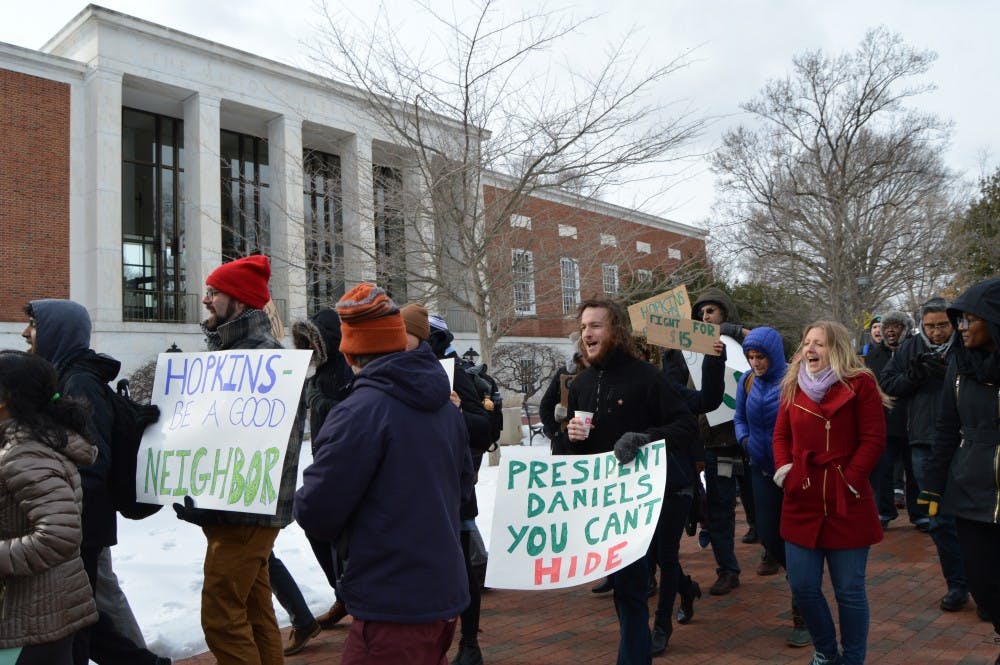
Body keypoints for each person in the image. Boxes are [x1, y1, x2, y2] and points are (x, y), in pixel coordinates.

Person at [295, 283, 473, 665]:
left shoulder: (360, 412)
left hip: (393, 601)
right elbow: (462, 488)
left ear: (350, 352)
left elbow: (316, 510)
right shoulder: (444, 405)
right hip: (442, 591)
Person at [170, 254, 307, 665]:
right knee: (253, 608)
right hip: (233, 509)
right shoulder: (230, 354)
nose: (206, 300)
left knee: (220, 617)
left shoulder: (265, 359)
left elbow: (268, 441)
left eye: (215, 293)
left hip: (247, 510)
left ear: (242, 303)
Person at [22, 299, 170, 665]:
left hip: (81, 524)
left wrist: (61, 514)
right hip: (73, 521)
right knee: (86, 618)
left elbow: (92, 459)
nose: (25, 333)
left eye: (34, 326)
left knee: (81, 625)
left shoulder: (78, 382)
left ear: (56, 332)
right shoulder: (61, 375)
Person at [566, 297, 697, 665]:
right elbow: (576, 454)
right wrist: (569, 436)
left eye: (595, 326)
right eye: (583, 328)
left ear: (617, 331)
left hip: (643, 501)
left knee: (632, 590)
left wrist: (645, 437)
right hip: (603, 505)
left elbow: (685, 424)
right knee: (624, 593)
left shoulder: (646, 377)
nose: (586, 334)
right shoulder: (581, 384)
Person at [772, 320, 888, 665]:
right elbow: (780, 437)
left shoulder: (860, 384)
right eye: (807, 342)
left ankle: (852, 658)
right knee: (803, 587)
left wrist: (851, 479)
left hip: (846, 500)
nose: (810, 349)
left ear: (835, 348)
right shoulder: (792, 384)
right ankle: (825, 650)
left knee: (849, 592)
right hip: (802, 496)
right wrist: (786, 474)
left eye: (819, 344)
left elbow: (873, 439)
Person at [403, 303, 492, 665]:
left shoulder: (453, 373)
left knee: (459, 566)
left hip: (452, 493)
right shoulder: (391, 370)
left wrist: (456, 412)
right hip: (411, 492)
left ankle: (469, 642)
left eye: (400, 331)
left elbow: (484, 429)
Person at [919, 277, 1000, 665]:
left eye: (969, 320)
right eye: (960, 321)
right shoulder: (959, 365)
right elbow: (946, 430)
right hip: (969, 490)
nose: (962, 329)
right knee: (983, 585)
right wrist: (932, 488)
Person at [0, 350, 98, 665]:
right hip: (36, 611)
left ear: (6, 398)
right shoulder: (19, 446)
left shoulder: (25, 454)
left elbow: (59, 535)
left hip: (33, 617)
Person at [880, 298, 969, 612]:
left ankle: (983, 585)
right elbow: (888, 384)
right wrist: (915, 376)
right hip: (921, 440)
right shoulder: (911, 348)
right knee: (938, 519)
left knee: (970, 518)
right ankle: (957, 584)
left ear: (953, 323)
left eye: (943, 325)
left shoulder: (968, 342)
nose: (937, 332)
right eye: (930, 326)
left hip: (963, 442)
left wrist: (949, 374)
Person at [733, 326, 810, 648]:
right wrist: (745, 440)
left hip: (792, 474)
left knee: (797, 541)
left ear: (774, 354)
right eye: (750, 357)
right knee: (767, 533)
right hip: (760, 470)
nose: (755, 363)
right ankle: (797, 577)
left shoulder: (795, 381)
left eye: (760, 356)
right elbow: (739, 418)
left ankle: (803, 610)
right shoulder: (746, 381)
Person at [290, 307, 353, 631]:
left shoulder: (347, 369)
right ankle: (343, 593)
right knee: (314, 525)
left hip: (346, 466)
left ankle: (352, 595)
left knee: (340, 535)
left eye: (314, 340)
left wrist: (318, 401)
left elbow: (353, 413)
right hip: (323, 460)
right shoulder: (317, 373)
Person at [691, 288, 754, 595]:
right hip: (717, 443)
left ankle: (772, 550)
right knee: (721, 506)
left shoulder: (746, 343)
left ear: (726, 313)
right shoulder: (690, 352)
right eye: (702, 312)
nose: (706, 316)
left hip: (752, 442)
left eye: (712, 311)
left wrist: (730, 332)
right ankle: (727, 568)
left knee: (761, 506)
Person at [865, 310, 915, 529]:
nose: (890, 331)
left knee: (914, 471)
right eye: (887, 327)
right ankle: (884, 512)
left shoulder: (915, 349)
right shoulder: (874, 355)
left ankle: (919, 514)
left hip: (913, 420)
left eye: (896, 326)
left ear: (905, 328)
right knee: (882, 469)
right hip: (884, 421)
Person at [539, 344, 585, 456]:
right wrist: (557, 433)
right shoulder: (564, 373)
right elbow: (545, 407)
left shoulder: (602, 374)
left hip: (593, 446)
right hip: (564, 446)